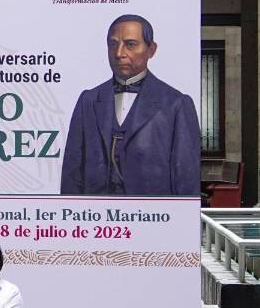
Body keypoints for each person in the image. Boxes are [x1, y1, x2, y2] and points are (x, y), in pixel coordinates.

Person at [60, 14, 200, 195]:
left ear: (151, 50)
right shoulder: (88, 100)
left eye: (130, 44)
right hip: (96, 211)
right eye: (113, 44)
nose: (119, 53)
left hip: (152, 211)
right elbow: (72, 172)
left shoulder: (176, 104)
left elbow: (186, 179)